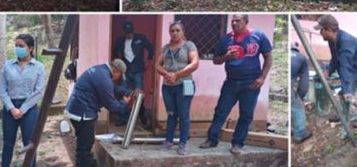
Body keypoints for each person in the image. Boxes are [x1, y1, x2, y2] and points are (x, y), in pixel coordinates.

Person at [201, 14, 273, 155]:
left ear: (246, 21)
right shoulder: (225, 39)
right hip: (231, 82)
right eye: (232, 21)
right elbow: (216, 60)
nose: (234, 23)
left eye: (237, 20)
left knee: (246, 114)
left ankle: (238, 143)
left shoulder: (258, 36)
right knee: (220, 111)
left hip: (251, 83)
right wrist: (226, 57)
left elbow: (268, 57)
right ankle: (212, 139)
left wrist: (262, 78)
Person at [66, 59, 133, 167]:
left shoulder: (100, 70)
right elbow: (112, 106)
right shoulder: (104, 79)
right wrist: (124, 103)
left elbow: (112, 88)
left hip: (76, 110)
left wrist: (126, 91)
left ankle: (84, 163)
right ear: (116, 70)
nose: (119, 78)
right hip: (83, 114)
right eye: (120, 75)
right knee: (85, 147)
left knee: (83, 143)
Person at [315, 15, 357, 132]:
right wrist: (328, 71)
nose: (320, 33)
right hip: (353, 66)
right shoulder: (332, 40)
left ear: (328, 30)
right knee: (344, 93)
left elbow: (344, 67)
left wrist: (347, 90)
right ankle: (342, 114)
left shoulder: (346, 42)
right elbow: (335, 58)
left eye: (321, 30)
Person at [0, 34, 46, 167]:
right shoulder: (7, 66)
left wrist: (23, 109)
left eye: (21, 46)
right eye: (16, 46)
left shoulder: (39, 67)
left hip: (29, 109)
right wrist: (12, 108)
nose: (17, 48)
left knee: (30, 144)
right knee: (8, 143)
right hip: (10, 108)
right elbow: (1, 89)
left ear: (30, 48)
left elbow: (39, 91)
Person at [155, 21, 199, 155]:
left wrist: (177, 75)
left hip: (185, 85)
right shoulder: (166, 48)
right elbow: (157, 65)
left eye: (177, 30)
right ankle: (169, 141)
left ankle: (182, 143)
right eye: (172, 31)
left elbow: (195, 63)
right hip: (168, 86)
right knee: (171, 114)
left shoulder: (189, 45)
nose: (174, 33)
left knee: (183, 114)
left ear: (183, 32)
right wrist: (167, 74)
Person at [113, 21, 154, 126]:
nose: (129, 34)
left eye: (130, 32)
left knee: (139, 94)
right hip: (125, 71)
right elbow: (115, 53)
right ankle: (123, 117)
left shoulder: (141, 38)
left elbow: (150, 48)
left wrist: (148, 60)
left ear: (133, 30)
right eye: (127, 33)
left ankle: (142, 116)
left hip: (138, 70)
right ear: (124, 32)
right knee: (123, 94)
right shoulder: (120, 40)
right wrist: (119, 65)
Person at [290, 44, 312, 143]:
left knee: (291, 106)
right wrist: (300, 96)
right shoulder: (301, 58)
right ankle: (299, 134)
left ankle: (289, 129)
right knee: (298, 108)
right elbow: (304, 83)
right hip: (289, 84)